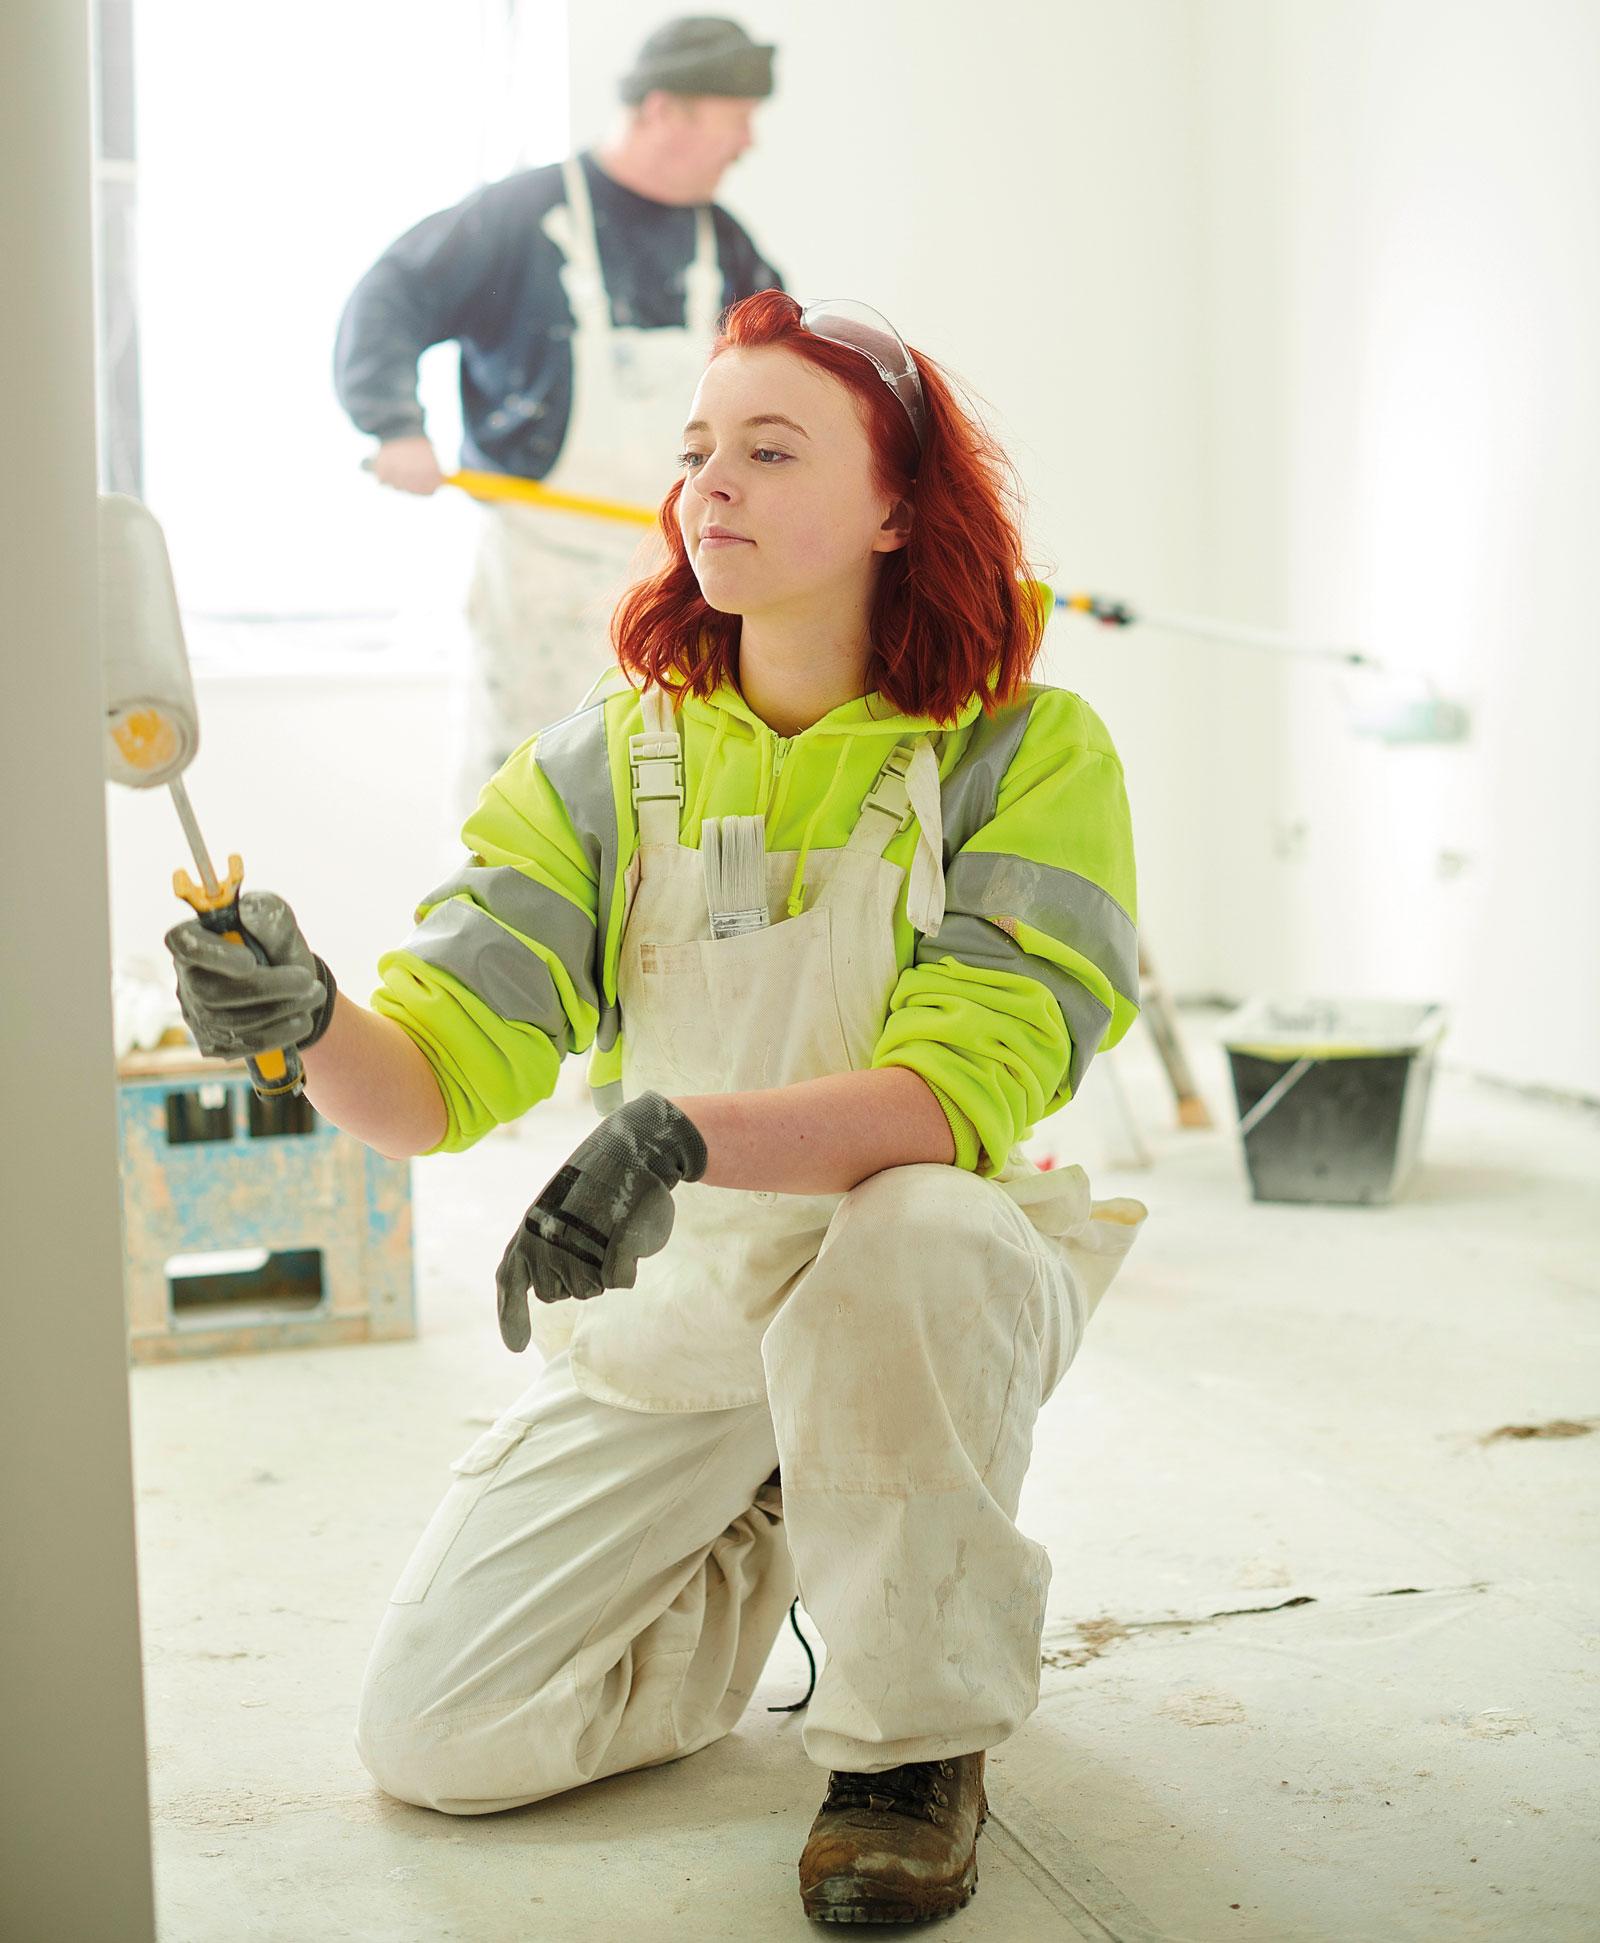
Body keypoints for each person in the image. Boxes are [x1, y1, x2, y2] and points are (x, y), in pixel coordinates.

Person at [169, 290, 1146, 1927]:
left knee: (923, 1225)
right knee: (439, 1734)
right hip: (686, 1290)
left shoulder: (1024, 752)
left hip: (906, 1282)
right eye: (697, 452)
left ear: (901, 505)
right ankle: (782, 1526)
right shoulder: (600, 763)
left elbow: (957, 1084)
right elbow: (432, 1079)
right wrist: (307, 1016)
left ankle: (910, 1744)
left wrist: (677, 1131)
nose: (711, 484)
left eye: (771, 449)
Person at [334, 16, 783, 799]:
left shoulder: (729, 247)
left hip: (685, 578)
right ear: (664, 111)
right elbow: (389, 298)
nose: (748, 143)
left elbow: (788, 387)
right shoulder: (521, 217)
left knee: (681, 800)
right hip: (541, 573)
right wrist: (395, 424)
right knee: (531, 793)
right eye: (735, 119)